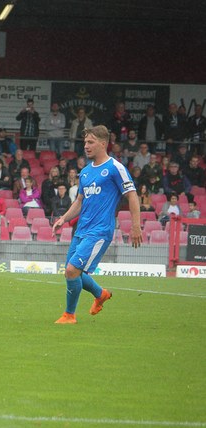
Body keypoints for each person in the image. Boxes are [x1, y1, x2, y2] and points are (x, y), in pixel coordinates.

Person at [51, 125, 141, 325]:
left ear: (103, 143)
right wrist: (63, 218)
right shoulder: (85, 172)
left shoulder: (115, 168)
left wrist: (136, 226)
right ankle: (100, 294)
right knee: (71, 271)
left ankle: (69, 315)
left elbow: (132, 195)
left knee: (72, 270)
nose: (86, 146)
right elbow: (80, 201)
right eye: (85, 142)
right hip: (81, 230)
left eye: (90, 142)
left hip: (100, 231)